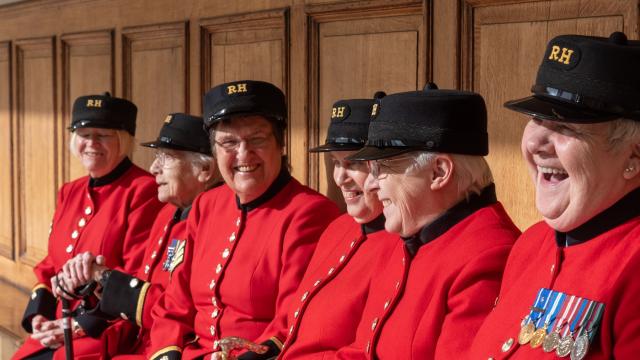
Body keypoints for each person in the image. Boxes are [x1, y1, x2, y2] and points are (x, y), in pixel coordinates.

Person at [470, 32, 640, 360]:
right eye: (536, 119)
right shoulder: (532, 244)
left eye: (566, 128)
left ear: (634, 157)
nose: (537, 143)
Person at [147, 80, 341, 360]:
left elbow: (289, 322)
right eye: (229, 142)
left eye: (257, 139)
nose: (243, 154)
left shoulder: (308, 213)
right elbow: (174, 304)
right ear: (214, 150)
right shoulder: (206, 205)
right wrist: (167, 355)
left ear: (281, 143)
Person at [336, 83, 520, 359]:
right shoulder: (411, 233)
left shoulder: (488, 255)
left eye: (383, 168)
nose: (371, 185)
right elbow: (362, 352)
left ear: (439, 172)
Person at [213, 95, 399, 360]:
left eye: (355, 164)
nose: (340, 178)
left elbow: (368, 349)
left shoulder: (400, 243)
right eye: (336, 163)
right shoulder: (338, 228)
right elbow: (292, 320)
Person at [52, 113, 219, 358]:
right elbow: (143, 280)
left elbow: (182, 310)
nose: (154, 168)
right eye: (156, 156)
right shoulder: (168, 213)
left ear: (204, 169)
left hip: (172, 346)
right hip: (137, 335)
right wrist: (98, 282)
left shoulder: (213, 223)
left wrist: (106, 277)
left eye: (167, 157)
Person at [13, 93, 164, 360]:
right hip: (60, 322)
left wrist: (82, 326)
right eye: (84, 134)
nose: (91, 143)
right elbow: (51, 264)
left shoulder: (144, 190)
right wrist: (39, 315)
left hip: (106, 330)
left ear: (124, 140)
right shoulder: (69, 191)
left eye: (103, 135)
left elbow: (138, 274)